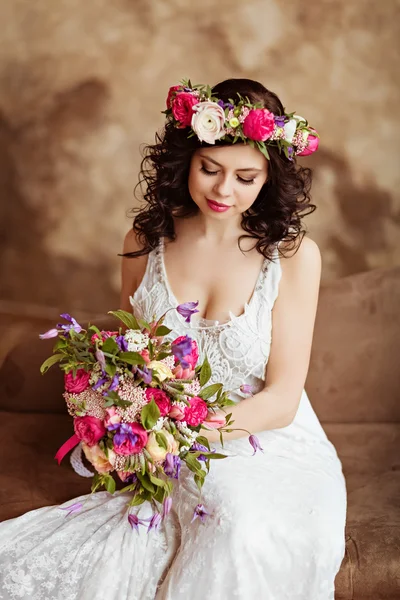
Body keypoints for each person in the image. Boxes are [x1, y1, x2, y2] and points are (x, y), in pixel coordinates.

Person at [0, 78, 346, 600]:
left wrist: (178, 434)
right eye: (210, 169)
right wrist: (125, 418)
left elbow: (281, 400)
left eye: (245, 177)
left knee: (240, 524)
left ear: (269, 177)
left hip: (266, 440)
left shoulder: (294, 256)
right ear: (185, 158)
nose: (223, 191)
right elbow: (141, 360)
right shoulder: (143, 243)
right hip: (173, 445)